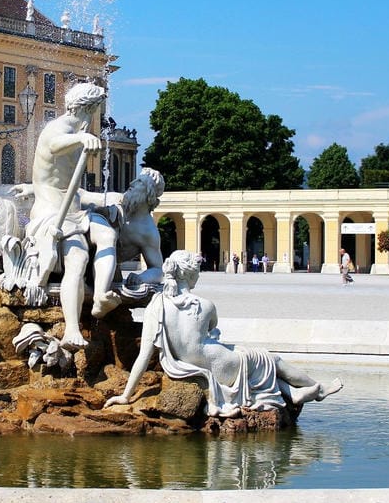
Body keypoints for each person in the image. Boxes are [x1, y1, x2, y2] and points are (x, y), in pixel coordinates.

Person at [106, 251, 342, 415]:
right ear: (189, 274)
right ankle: (318, 389)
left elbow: (144, 355)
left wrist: (127, 395)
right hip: (221, 364)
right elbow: (211, 332)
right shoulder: (204, 305)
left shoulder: (156, 305)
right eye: (198, 271)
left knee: (255, 361)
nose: (200, 275)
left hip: (187, 365)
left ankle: (293, 393)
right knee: (270, 359)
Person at [25, 81, 119, 349]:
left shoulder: (79, 131)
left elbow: (70, 187)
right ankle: (72, 329)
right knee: (77, 257)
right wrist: (80, 138)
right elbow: (53, 145)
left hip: (74, 209)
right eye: (97, 110)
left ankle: (101, 295)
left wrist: (105, 199)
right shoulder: (61, 128)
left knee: (107, 233)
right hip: (53, 212)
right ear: (89, 108)